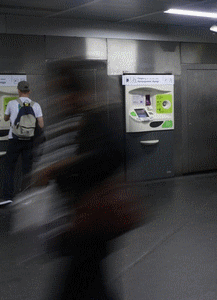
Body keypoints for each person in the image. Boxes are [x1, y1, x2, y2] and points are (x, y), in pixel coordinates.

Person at [30, 59, 142, 299]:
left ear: (78, 92)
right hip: (80, 223)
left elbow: (117, 153)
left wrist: (59, 168)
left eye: (64, 92)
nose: (59, 100)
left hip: (90, 221)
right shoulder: (74, 120)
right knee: (92, 286)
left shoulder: (98, 117)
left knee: (79, 287)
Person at [0, 81, 44, 207]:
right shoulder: (36, 105)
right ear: (29, 91)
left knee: (9, 168)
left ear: (18, 90)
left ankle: (8, 197)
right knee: (27, 169)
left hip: (14, 139)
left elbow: (6, 118)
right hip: (29, 140)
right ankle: (27, 197)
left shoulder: (12, 103)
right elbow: (41, 125)